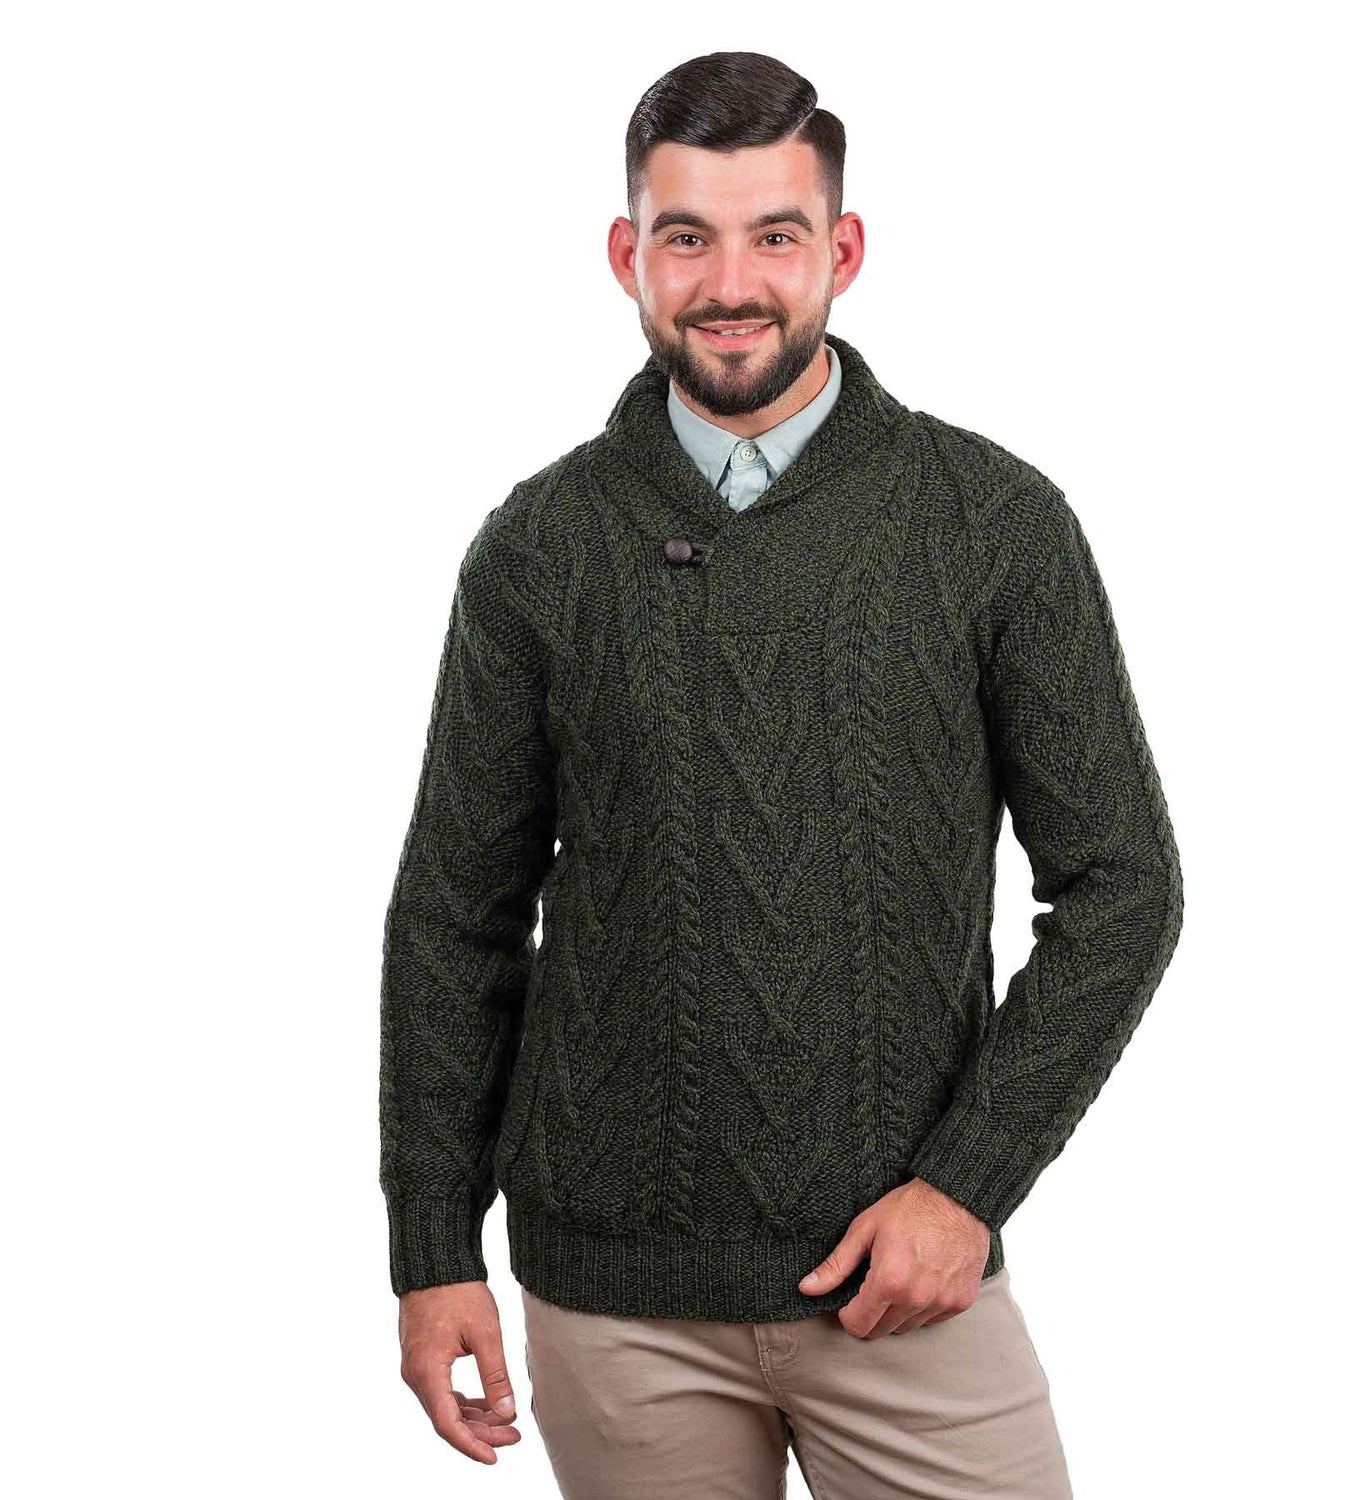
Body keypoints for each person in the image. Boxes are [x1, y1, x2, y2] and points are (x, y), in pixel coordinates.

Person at [379, 50, 1184, 1499]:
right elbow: (454, 916)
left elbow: (1125, 886)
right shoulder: (540, 547)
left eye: (776, 235)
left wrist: (967, 1186)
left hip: (908, 1283)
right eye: (687, 237)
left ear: (844, 251)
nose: (730, 283)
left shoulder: (992, 524)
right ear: (628, 256)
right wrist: (433, 1249)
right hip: (614, 1309)